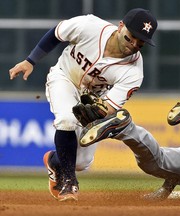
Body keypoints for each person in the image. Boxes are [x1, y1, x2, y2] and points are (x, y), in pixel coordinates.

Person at [9, 8, 158, 201]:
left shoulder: (134, 73)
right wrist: (31, 61)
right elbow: (57, 33)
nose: (134, 44)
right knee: (67, 120)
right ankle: (69, 183)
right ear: (120, 26)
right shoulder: (90, 26)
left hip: (95, 97)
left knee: (81, 162)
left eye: (141, 43)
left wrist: (98, 112)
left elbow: (110, 108)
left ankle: (54, 161)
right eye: (131, 37)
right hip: (64, 78)